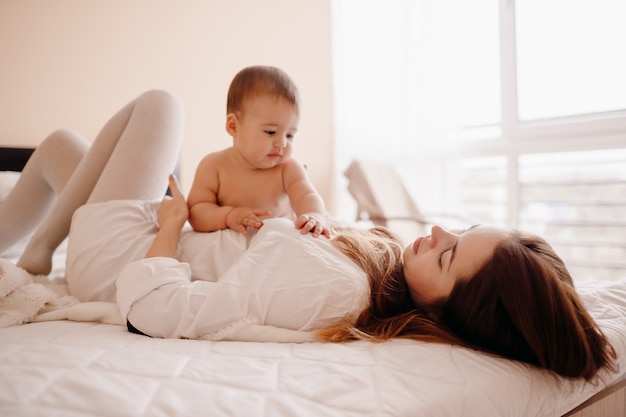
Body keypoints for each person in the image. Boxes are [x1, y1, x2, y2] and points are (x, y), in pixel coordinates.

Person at [0, 89, 615, 382]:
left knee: (162, 106)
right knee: (60, 150)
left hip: (125, 255)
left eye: (451, 253)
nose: (436, 229)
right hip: (140, 237)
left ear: (445, 310)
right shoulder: (374, 265)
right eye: (463, 227)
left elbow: (157, 309)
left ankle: (37, 252)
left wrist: (168, 226)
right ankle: (31, 252)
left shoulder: (336, 289)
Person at [187, 66, 330, 238]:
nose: (282, 143)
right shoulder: (214, 166)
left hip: (276, 243)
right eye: (271, 132)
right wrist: (228, 216)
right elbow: (196, 213)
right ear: (234, 126)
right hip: (231, 246)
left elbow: (307, 195)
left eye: (290, 135)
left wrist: (314, 215)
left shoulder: (288, 169)